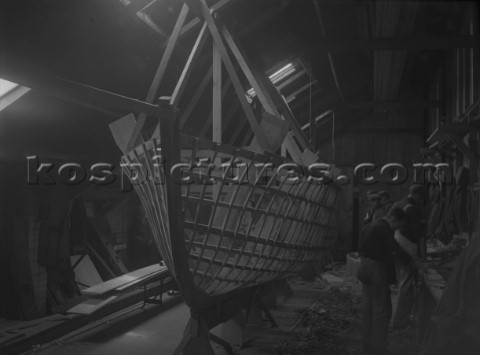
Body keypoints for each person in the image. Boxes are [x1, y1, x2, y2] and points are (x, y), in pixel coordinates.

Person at [358, 207, 406, 355]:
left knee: (368, 308)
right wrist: (412, 261)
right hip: (375, 268)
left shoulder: (369, 226)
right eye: (397, 226)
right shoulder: (383, 229)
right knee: (381, 309)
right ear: (393, 219)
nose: (397, 229)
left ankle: (367, 343)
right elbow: (395, 249)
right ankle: (378, 347)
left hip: (364, 266)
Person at [391, 184, 428, 330]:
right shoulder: (413, 209)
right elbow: (417, 233)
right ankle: (400, 322)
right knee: (406, 288)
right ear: (419, 196)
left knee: (403, 285)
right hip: (408, 251)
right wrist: (424, 227)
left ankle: (403, 318)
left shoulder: (397, 204)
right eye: (423, 199)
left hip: (397, 249)